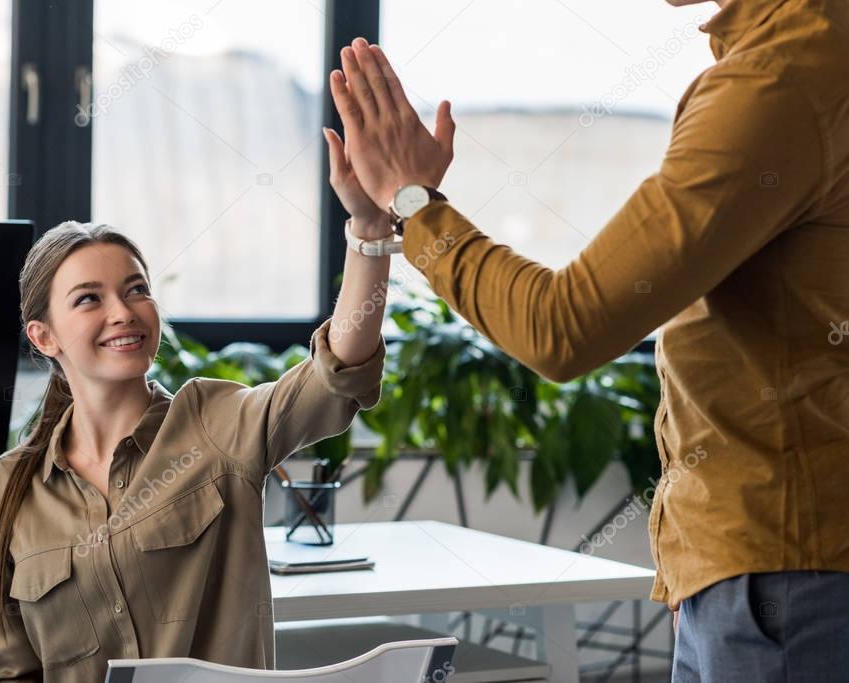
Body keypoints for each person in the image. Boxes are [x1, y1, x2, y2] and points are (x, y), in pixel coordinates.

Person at [327, 0, 849, 678]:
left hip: (782, 580)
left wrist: (413, 202)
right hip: (766, 575)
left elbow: (561, 328)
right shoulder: (811, 50)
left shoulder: (782, 76)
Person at [0, 130, 395, 681]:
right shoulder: (11, 485)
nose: (123, 311)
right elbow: (7, 669)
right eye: (89, 299)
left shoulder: (215, 422)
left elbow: (335, 374)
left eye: (136, 289)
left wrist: (369, 231)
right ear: (44, 336)